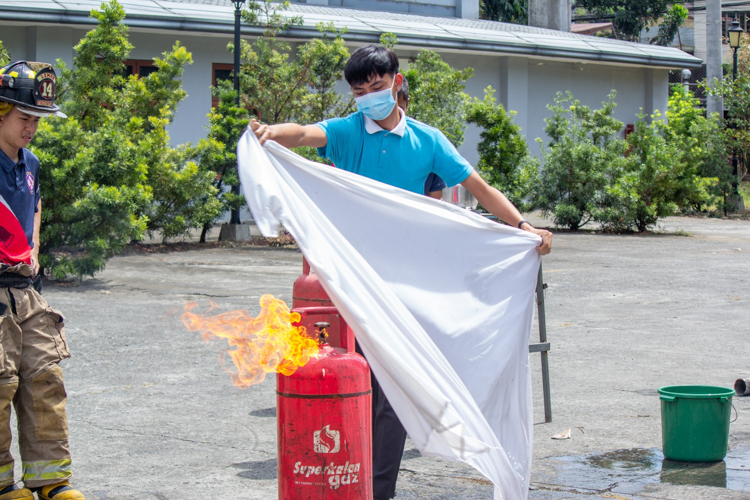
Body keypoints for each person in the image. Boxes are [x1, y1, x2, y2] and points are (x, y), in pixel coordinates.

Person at [250, 45, 552, 500]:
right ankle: (349, 477)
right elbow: (305, 134)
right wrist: (272, 133)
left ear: (396, 81)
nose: (370, 96)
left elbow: (479, 187)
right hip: (348, 283)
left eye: (377, 86)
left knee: (395, 388)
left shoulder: (427, 141)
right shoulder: (348, 132)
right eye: (359, 91)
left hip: (405, 286)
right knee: (354, 380)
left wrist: (524, 227)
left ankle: (378, 488)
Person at [0, 61, 85, 500]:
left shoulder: (30, 163)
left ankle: (51, 480)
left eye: (37, 120)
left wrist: (32, 248)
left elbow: (32, 205)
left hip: (26, 292)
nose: (31, 128)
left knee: (44, 380)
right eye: (24, 118)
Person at [395, 77, 445, 199]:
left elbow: (434, 205)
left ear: (407, 104)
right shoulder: (358, 141)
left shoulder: (429, 143)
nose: (392, 115)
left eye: (398, 109)